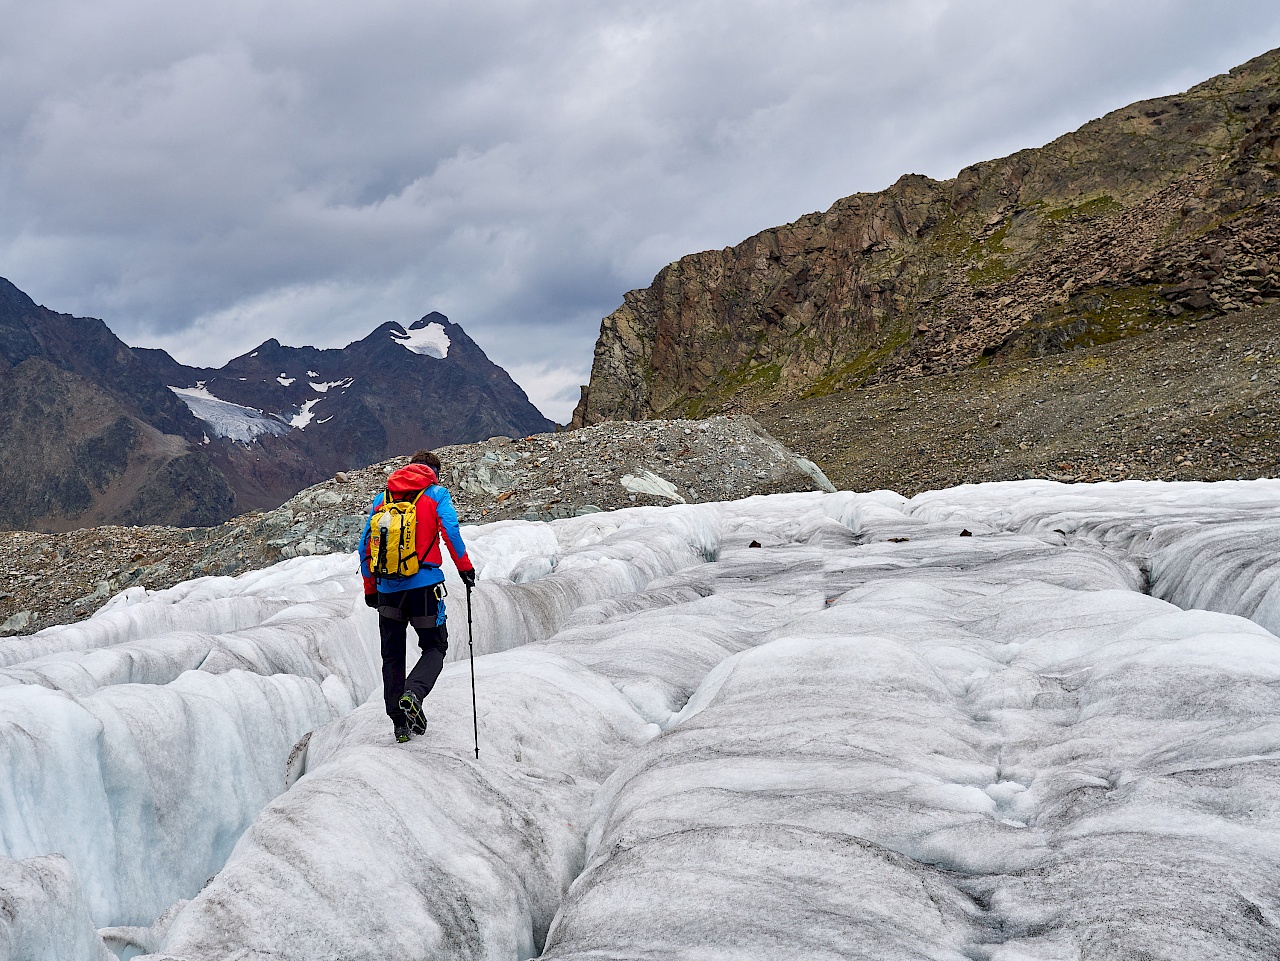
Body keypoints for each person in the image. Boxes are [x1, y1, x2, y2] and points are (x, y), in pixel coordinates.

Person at [359, 450, 476, 743]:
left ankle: (400, 724)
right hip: (424, 588)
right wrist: (465, 569)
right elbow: (450, 530)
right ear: (436, 471)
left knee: (392, 655)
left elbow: (365, 547)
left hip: (388, 590)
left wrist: (370, 588)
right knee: (435, 646)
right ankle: (413, 693)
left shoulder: (382, 499)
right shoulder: (436, 494)